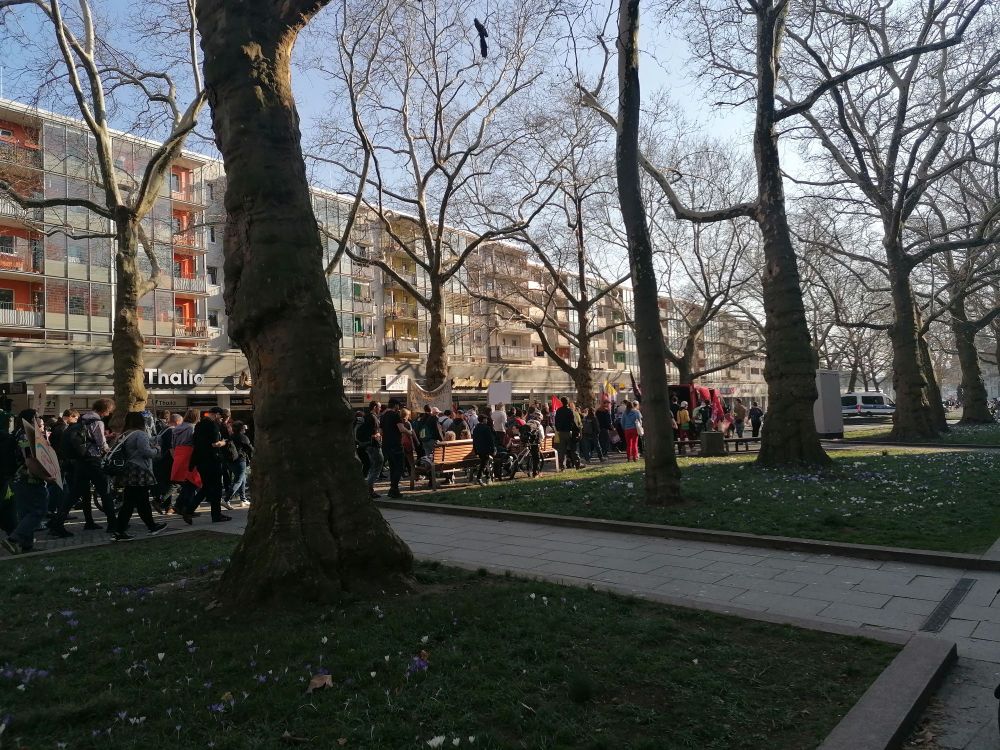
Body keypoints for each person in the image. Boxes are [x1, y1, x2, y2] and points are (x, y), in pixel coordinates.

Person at [2, 410, 59, 554]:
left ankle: (27, 546)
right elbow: (29, 460)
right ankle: (13, 539)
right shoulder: (26, 436)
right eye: (37, 416)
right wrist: (45, 477)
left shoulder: (16, 433)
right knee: (38, 511)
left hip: (17, 479)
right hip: (29, 479)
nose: (40, 419)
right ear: (32, 418)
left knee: (25, 513)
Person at [112, 411, 168, 541]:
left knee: (136, 501)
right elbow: (146, 452)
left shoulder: (124, 434)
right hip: (140, 470)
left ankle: (149, 526)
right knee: (134, 502)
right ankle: (123, 530)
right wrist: (157, 449)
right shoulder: (140, 434)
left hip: (128, 470)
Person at [67, 398, 117, 532]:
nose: (110, 413)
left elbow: (87, 437)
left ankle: (58, 522)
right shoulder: (97, 421)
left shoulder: (84, 418)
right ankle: (112, 524)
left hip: (81, 459)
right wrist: (108, 449)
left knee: (77, 494)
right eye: (109, 411)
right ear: (105, 409)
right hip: (93, 460)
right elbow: (100, 443)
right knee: (105, 492)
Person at [186, 407, 231, 524]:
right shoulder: (213, 426)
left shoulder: (199, 425)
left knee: (206, 487)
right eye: (220, 417)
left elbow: (196, 443)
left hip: (200, 461)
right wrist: (223, 442)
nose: (221, 419)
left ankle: (189, 510)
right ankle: (216, 515)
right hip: (212, 460)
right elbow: (215, 444)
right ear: (216, 415)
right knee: (216, 489)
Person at [171, 409, 201, 522]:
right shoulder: (192, 428)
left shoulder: (176, 429)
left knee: (187, 483)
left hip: (179, 454)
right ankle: (186, 508)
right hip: (189, 454)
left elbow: (173, 444)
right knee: (192, 482)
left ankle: (180, 506)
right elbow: (195, 442)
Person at [379, 398, 408, 498]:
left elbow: (381, 432)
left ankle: (394, 490)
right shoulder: (396, 415)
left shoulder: (382, 416)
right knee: (400, 467)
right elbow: (401, 429)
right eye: (398, 405)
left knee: (392, 468)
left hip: (386, 445)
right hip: (396, 445)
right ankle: (393, 488)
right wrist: (410, 432)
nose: (399, 407)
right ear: (395, 405)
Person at [154, 412, 182, 513]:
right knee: (175, 483)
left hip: (159, 460)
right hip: (168, 461)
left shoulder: (163, 430)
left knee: (167, 483)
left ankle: (168, 507)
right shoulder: (171, 431)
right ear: (177, 421)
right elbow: (171, 449)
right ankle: (160, 501)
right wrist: (177, 461)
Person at [357, 401, 383, 499]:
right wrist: (376, 436)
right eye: (379, 407)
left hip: (369, 445)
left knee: (374, 466)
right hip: (373, 445)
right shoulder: (372, 417)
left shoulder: (367, 417)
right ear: (375, 407)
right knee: (377, 465)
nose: (380, 409)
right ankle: (369, 489)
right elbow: (372, 432)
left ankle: (368, 489)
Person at [228, 421, 254, 506]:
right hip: (240, 460)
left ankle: (243, 499)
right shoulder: (243, 437)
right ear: (242, 429)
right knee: (238, 481)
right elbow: (250, 448)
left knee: (243, 479)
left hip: (231, 461)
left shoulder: (231, 436)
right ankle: (226, 498)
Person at [472, 413, 497, 486]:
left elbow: (474, 440)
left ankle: (488, 478)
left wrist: (475, 449)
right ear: (483, 420)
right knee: (484, 464)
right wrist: (493, 449)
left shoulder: (476, 428)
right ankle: (479, 477)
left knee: (485, 463)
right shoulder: (486, 428)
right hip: (486, 449)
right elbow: (490, 440)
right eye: (485, 419)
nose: (486, 420)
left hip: (479, 449)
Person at [553, 397, 575, 471]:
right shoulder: (569, 411)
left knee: (561, 449)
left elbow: (556, 421)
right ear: (567, 402)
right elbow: (573, 421)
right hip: (568, 431)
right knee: (572, 448)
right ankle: (574, 463)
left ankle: (561, 465)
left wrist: (558, 429)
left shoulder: (559, 411)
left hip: (561, 432)